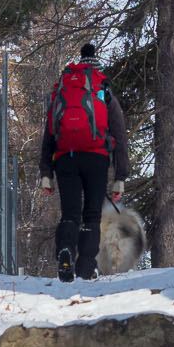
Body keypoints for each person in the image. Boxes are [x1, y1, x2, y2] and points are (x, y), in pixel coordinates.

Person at [38, 42, 129, 282]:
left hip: (65, 158)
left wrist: (45, 171)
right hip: (96, 158)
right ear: (97, 70)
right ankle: (86, 267)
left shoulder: (61, 92)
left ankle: (66, 251)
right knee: (91, 215)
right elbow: (119, 134)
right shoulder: (103, 90)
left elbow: (49, 133)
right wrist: (120, 177)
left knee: (69, 214)